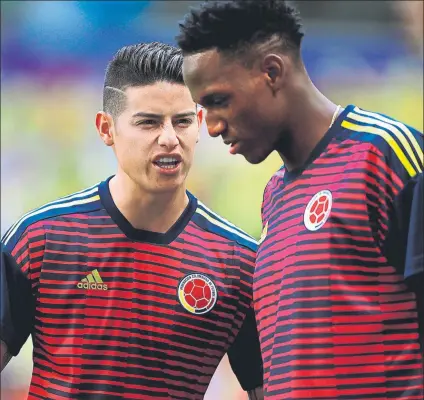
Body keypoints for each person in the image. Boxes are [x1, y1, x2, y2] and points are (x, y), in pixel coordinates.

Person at [176, 1, 424, 399]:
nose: (213, 126)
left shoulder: (385, 155)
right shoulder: (275, 196)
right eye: (203, 109)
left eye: (219, 100)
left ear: (271, 72)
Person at [0, 42, 264, 400]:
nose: (169, 138)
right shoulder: (40, 239)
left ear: (200, 124)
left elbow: (267, 388)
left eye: (182, 121)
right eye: (149, 122)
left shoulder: (241, 262)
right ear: (106, 129)